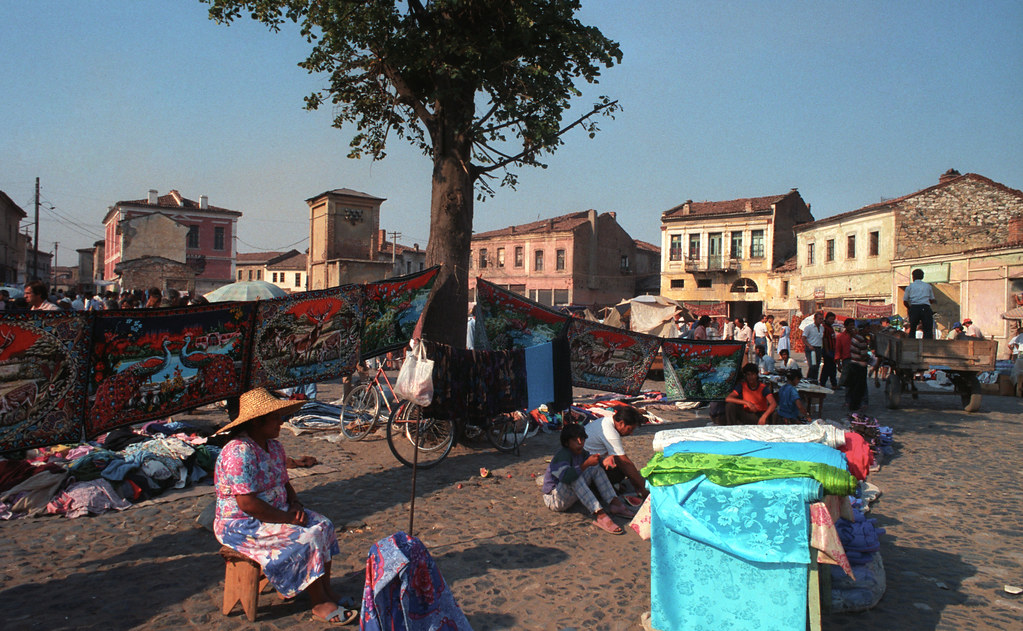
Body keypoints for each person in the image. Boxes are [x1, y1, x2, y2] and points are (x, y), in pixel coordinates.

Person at [213, 388, 356, 625]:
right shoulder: (239, 451)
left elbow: (284, 482)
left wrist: (295, 504)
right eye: (275, 418)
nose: (281, 422)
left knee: (324, 525)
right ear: (257, 421)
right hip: (242, 523)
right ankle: (318, 601)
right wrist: (288, 519)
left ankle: (326, 590)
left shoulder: (274, 447)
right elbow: (247, 503)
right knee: (306, 536)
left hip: (277, 512)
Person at [541, 423, 638, 535]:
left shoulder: (582, 453)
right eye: (575, 440)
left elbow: (593, 464)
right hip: (554, 499)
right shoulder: (562, 455)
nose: (580, 442)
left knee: (594, 468)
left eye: (582, 439)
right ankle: (600, 515)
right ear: (567, 442)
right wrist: (586, 464)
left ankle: (615, 503)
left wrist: (603, 461)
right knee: (574, 477)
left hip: (568, 494)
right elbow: (566, 477)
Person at [583, 404, 649, 500]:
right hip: (586, 468)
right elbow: (625, 462)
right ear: (621, 423)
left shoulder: (606, 421)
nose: (631, 433)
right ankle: (597, 489)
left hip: (588, 461)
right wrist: (643, 487)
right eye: (630, 429)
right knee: (619, 472)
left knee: (619, 467)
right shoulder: (610, 432)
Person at [903, 268, 936, 339]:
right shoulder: (928, 286)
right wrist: (926, 303)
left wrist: (910, 308)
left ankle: (912, 343)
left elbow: (905, 301)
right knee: (928, 329)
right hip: (925, 308)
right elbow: (932, 299)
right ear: (922, 277)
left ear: (913, 277)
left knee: (913, 328)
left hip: (914, 308)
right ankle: (927, 343)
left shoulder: (909, 287)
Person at [845, 321, 870, 411]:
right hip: (860, 365)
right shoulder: (861, 340)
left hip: (854, 363)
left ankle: (851, 404)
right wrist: (868, 357)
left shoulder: (855, 337)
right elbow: (863, 355)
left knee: (853, 386)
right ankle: (856, 405)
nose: (868, 330)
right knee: (859, 387)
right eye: (867, 328)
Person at [800, 312, 824, 382]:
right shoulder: (809, 327)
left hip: (818, 348)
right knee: (812, 366)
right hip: (811, 348)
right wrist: (809, 345)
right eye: (819, 319)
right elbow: (803, 338)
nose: (821, 320)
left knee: (817, 366)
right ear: (815, 319)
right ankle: (809, 379)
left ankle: (814, 380)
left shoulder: (822, 328)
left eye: (822, 319)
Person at [819, 312, 839, 389]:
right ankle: (824, 383)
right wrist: (827, 351)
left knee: (831, 367)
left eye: (833, 319)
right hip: (828, 350)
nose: (832, 321)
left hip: (832, 350)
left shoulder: (830, 327)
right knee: (828, 368)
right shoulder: (825, 328)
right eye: (831, 319)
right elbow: (825, 339)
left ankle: (832, 383)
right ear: (826, 319)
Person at [834, 319, 852, 388]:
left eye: (853, 325)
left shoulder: (856, 335)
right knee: (845, 373)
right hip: (846, 358)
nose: (852, 327)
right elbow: (838, 350)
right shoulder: (841, 336)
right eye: (850, 325)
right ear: (846, 326)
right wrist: (838, 363)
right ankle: (840, 385)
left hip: (856, 358)